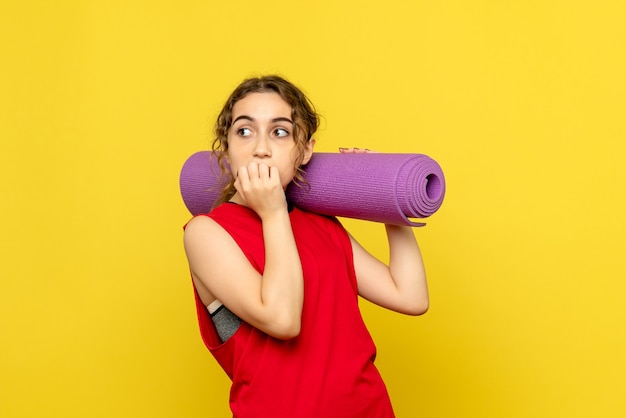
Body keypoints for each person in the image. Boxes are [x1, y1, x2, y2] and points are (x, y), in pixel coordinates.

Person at [183, 75, 429, 418]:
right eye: (244, 130)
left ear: (305, 150)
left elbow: (411, 297)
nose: (261, 147)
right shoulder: (206, 232)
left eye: (280, 132)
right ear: (226, 147)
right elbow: (282, 320)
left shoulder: (321, 224)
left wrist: (390, 205)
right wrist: (273, 212)